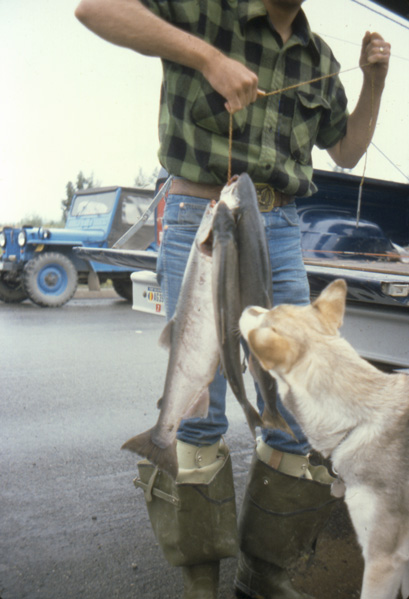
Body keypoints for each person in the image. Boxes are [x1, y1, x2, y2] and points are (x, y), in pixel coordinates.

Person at [75, 1, 390, 597]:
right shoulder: (206, 10)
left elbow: (345, 151)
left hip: (282, 230)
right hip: (205, 220)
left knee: (300, 411)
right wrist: (207, 58)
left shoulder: (318, 56)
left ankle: (263, 574)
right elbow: (96, 9)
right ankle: (201, 582)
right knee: (198, 411)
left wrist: (373, 82)